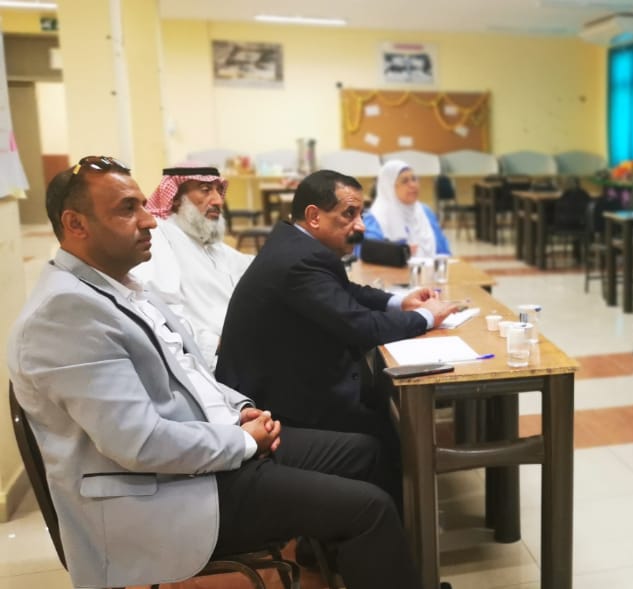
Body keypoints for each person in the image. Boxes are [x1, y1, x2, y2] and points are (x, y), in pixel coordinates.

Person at [7, 156, 420, 589]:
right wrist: (242, 441)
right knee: (369, 508)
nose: (149, 220)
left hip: (206, 451)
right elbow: (138, 443)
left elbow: (192, 373)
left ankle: (352, 562)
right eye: (128, 209)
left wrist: (241, 409)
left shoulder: (122, 286)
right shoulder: (66, 312)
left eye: (144, 205)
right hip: (164, 491)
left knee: (367, 452)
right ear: (75, 224)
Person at [216, 169, 458, 505]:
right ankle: (394, 522)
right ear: (314, 216)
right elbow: (361, 327)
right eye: (349, 214)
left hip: (288, 379)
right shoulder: (300, 259)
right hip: (274, 403)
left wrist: (400, 301)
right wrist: (427, 317)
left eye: (360, 214)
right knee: (387, 433)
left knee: (385, 403)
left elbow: (345, 291)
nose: (360, 226)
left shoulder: (296, 243)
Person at [132, 163, 253, 364]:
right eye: (205, 190)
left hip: (242, 344)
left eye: (218, 190)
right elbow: (160, 308)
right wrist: (214, 344)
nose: (218, 200)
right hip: (209, 358)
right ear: (176, 199)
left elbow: (251, 268)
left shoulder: (204, 239)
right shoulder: (160, 236)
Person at [363, 159, 451, 257]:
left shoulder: (425, 212)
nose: (413, 185)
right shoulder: (376, 219)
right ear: (390, 187)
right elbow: (369, 255)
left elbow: (444, 252)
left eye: (414, 179)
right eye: (405, 181)